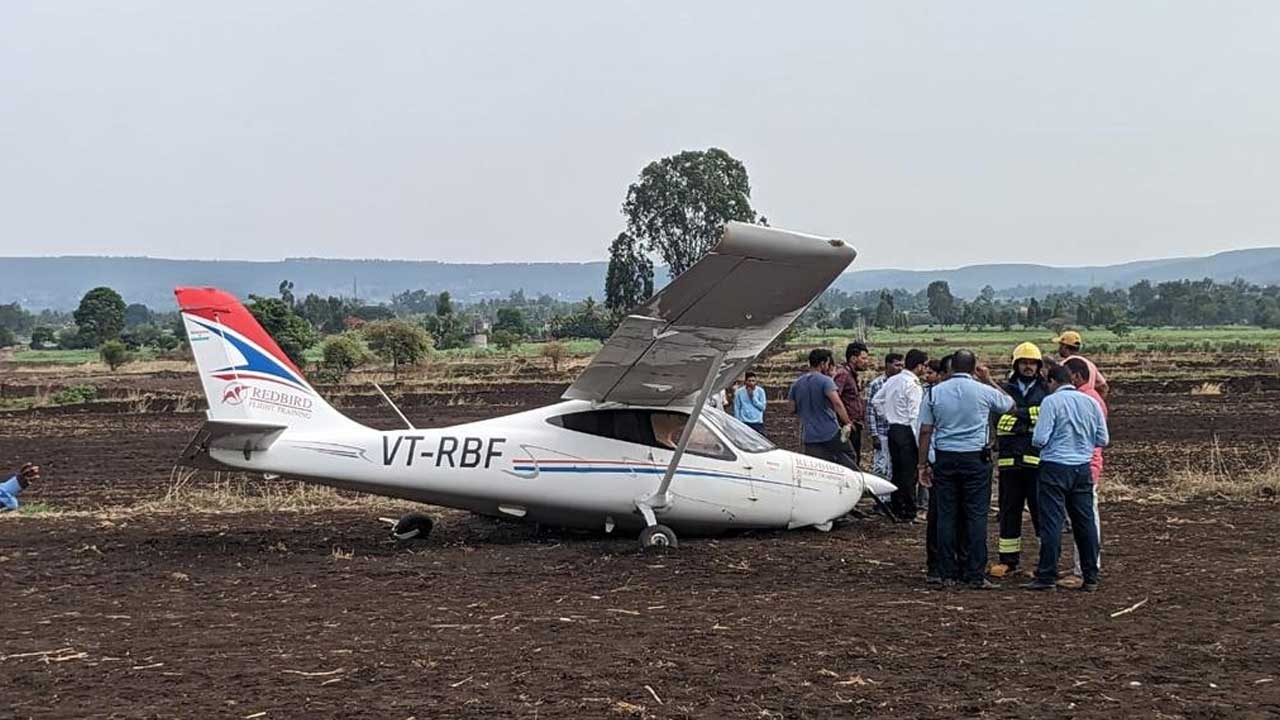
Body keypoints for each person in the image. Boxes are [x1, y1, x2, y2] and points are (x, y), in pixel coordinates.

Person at [917, 350, 1014, 589]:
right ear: (973, 368)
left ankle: (946, 572)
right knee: (976, 516)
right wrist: (988, 380)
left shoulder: (933, 393)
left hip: (945, 458)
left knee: (946, 516)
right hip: (975, 460)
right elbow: (1009, 405)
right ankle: (974, 573)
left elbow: (925, 431)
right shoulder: (983, 391)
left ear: (950, 369)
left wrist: (922, 465)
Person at [1023, 364, 1109, 592]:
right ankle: (1090, 576)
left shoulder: (1051, 402)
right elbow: (1103, 438)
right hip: (1082, 468)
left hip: (1054, 467)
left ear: (1052, 381)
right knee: (1085, 522)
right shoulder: (1091, 401)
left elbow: (1040, 438)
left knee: (1052, 523)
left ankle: (1047, 575)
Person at [989, 342, 1050, 578]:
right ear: (1016, 365)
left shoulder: (1047, 390)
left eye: (1032, 363)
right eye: (1024, 362)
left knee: (1041, 514)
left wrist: (1016, 415)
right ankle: (1008, 561)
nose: (1028, 367)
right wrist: (1030, 417)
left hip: (1037, 463)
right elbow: (999, 420)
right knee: (1008, 512)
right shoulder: (1005, 389)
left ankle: (1046, 561)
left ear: (1038, 366)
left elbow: (1045, 415)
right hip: (1009, 463)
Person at [1065, 356, 1107, 585]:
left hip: (1084, 464)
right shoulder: (1095, 397)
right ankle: (1083, 566)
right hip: (1089, 463)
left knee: (1085, 519)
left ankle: (1083, 569)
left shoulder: (1083, 399)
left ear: (1077, 376)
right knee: (1085, 517)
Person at [872, 349, 928, 521]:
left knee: (897, 471)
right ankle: (909, 511)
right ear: (918, 366)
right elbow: (914, 416)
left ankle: (897, 507)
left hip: (893, 430)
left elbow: (876, 401)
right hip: (906, 430)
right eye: (924, 366)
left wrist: (887, 415)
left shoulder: (893, 380)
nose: (925, 369)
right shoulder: (913, 385)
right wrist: (920, 442)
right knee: (909, 473)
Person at [787, 348, 857, 470]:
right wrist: (848, 422)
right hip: (830, 431)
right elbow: (837, 403)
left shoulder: (796, 384)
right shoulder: (826, 381)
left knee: (817, 467)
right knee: (849, 456)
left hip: (809, 435)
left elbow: (791, 408)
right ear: (823, 363)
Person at [864, 352, 904, 478]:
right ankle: (880, 497)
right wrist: (874, 434)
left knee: (896, 466)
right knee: (881, 466)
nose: (900, 368)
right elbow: (870, 410)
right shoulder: (877, 384)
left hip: (898, 432)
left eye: (902, 365)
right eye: (897, 365)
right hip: (882, 432)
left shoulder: (903, 383)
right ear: (887, 365)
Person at [833, 342, 871, 466]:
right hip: (847, 428)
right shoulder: (843, 374)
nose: (866, 361)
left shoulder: (851, 375)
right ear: (853, 358)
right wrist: (847, 422)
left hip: (853, 425)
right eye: (863, 358)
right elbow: (835, 398)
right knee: (850, 461)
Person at [1052, 330, 1109, 400]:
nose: (1059, 348)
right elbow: (1104, 387)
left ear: (1064, 347)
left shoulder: (1064, 365)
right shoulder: (1090, 364)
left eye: (1060, 345)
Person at [734, 371, 768, 435]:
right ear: (745, 381)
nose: (751, 383)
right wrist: (737, 421)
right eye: (749, 381)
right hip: (744, 421)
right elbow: (737, 407)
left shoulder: (760, 391)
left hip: (757, 422)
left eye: (753, 381)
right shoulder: (739, 392)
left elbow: (763, 407)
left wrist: (753, 398)